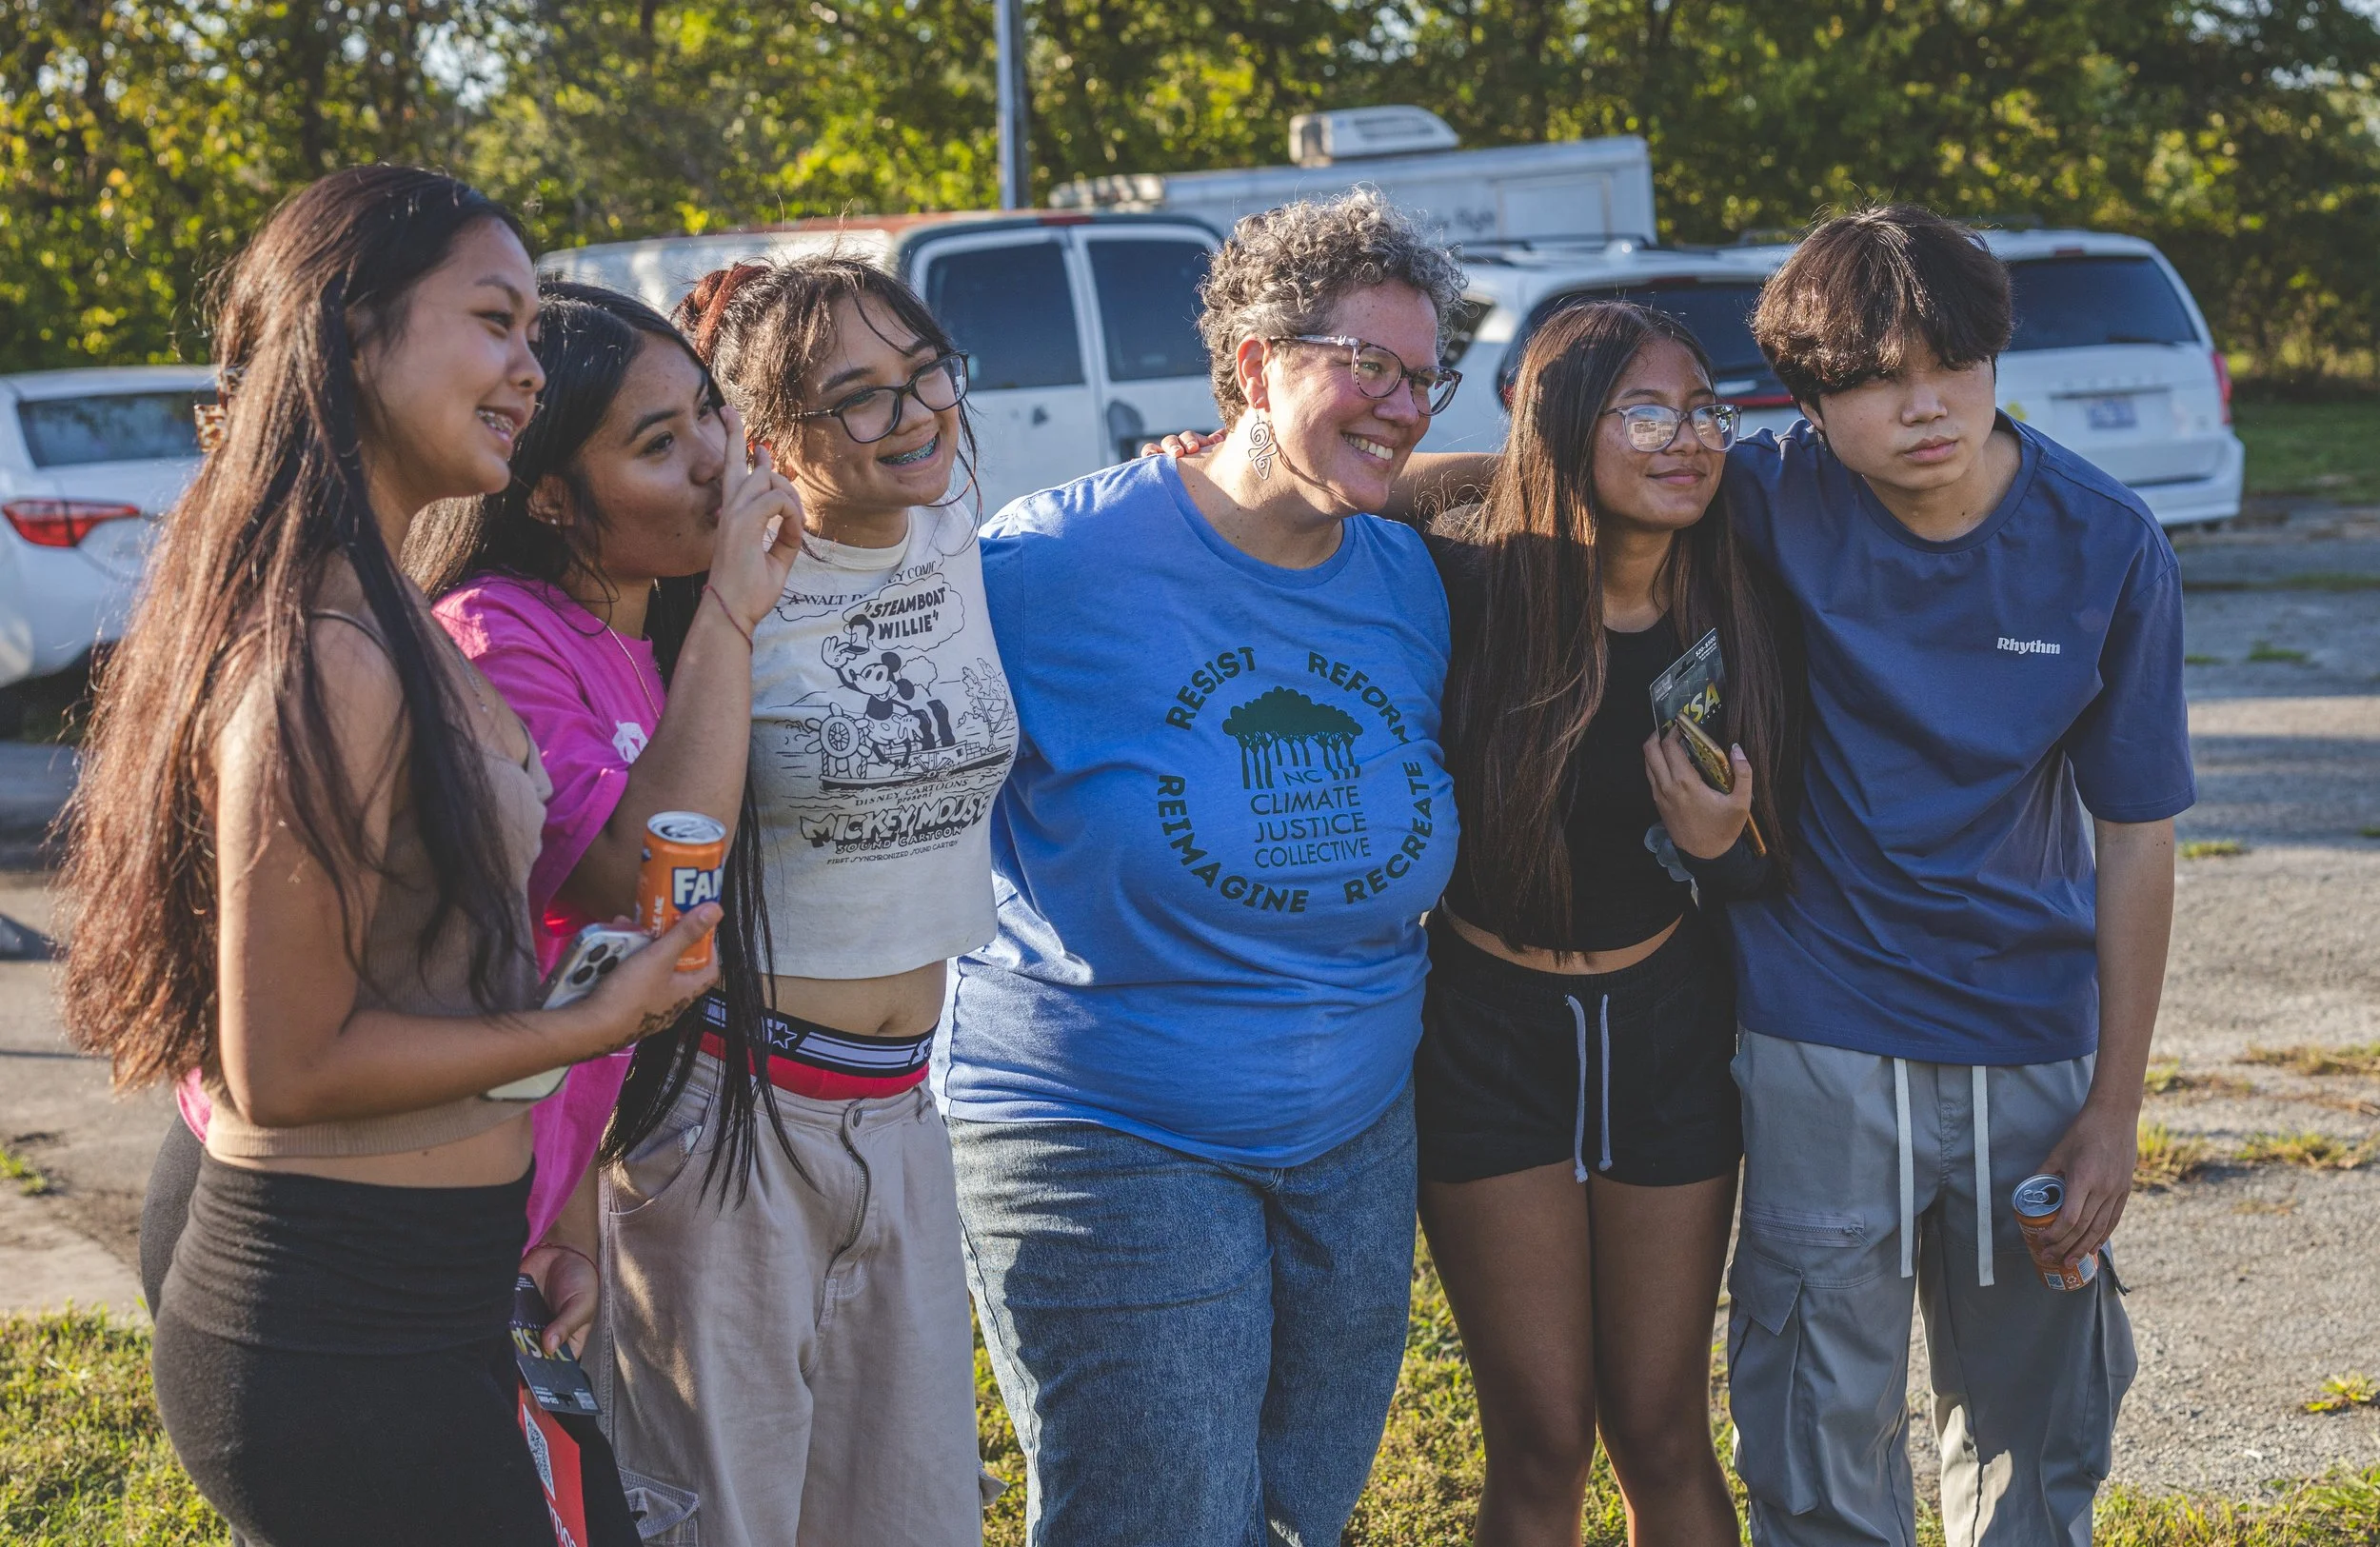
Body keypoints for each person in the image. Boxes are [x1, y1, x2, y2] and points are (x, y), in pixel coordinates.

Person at [59, 166, 718, 1546]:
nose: (530, 368)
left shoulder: (388, 611)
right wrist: (586, 1019)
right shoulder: (327, 652)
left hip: (433, 1288)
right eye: (496, 320)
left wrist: (545, 1227)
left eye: (537, 332)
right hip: (331, 1322)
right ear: (354, 334)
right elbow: (286, 1066)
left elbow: (426, 973)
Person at [942, 188, 1465, 1546]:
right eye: (1368, 366)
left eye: (1426, 376)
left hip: (1353, 1135)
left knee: (1302, 1511)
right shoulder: (1044, 567)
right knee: (1160, 1519)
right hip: (1105, 1125)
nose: (1404, 408)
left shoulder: (1404, 582)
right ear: (1250, 367)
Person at [1716, 205, 2184, 1547]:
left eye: (1950, 364)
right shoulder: (1767, 491)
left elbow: (2138, 833)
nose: (1922, 406)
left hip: (2028, 1040)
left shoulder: (2108, 544)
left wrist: (2114, 1103)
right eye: (1870, 378)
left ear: (1993, 357)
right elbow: (1565, 471)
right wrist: (1260, 463)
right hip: (1815, 1030)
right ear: (1806, 398)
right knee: (1812, 1422)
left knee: (2041, 1430)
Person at [585, 252, 1016, 1547]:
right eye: (862, 397)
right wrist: (725, 598)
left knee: (915, 1516)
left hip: (902, 1112)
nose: (915, 413)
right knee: (724, 1519)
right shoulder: (711, 594)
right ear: (769, 438)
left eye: (924, 371)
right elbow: (646, 844)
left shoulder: (963, 532)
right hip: (732, 1116)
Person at [1418, 300, 1798, 1547]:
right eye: (1649, 410)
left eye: (1706, 409)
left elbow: (1765, 863)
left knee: (1660, 1425)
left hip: (1664, 1033)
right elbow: (1348, 493)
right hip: (1486, 1036)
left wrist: (1718, 849)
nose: (1690, 437)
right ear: (1564, 422)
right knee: (1540, 1438)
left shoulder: (1739, 606)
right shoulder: (1468, 587)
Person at [404, 278, 803, 1359]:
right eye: (658, 442)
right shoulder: (495, 637)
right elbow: (630, 885)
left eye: (710, 410)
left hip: (533, 1193)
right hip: (421, 1207)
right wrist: (728, 609)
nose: (716, 456)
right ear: (547, 495)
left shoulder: (647, 627)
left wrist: (568, 1215)